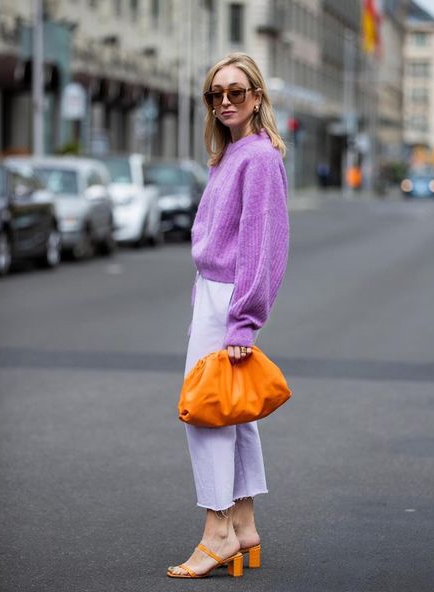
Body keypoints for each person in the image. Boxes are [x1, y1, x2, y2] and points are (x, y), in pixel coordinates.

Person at [167, 52, 289, 579]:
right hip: (215, 293)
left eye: (236, 92)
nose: (225, 101)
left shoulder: (259, 158)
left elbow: (263, 246)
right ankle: (243, 523)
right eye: (216, 93)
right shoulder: (232, 155)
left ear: (257, 97)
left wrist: (242, 319)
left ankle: (217, 532)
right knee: (233, 414)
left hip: (230, 299)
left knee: (207, 414)